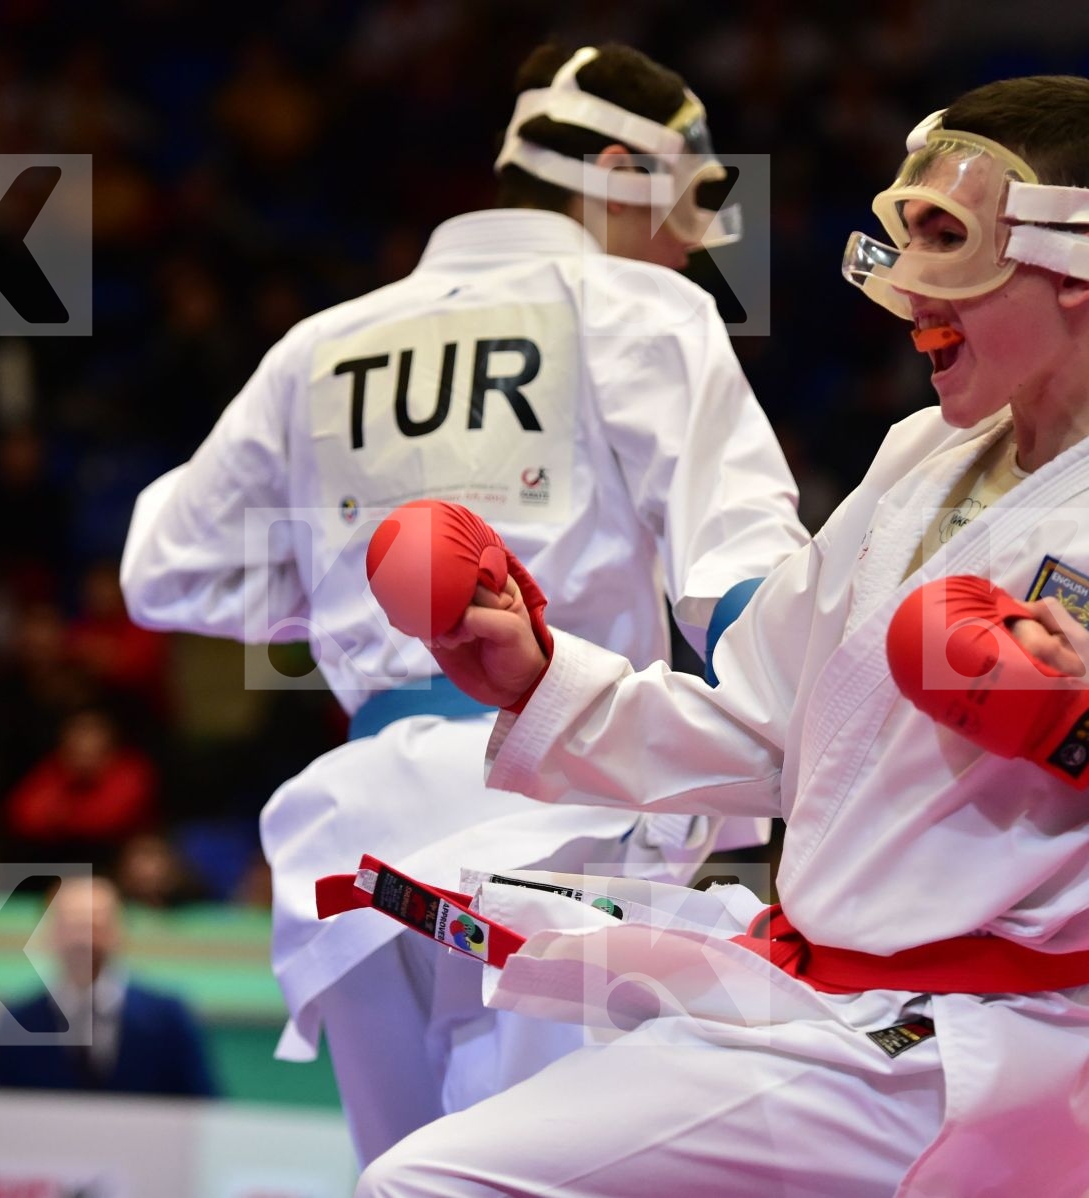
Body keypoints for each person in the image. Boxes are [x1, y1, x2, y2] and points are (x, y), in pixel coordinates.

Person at [354, 75, 1089, 1197]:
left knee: (428, 1185)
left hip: (957, 1048)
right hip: (834, 1016)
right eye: (904, 241)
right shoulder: (921, 454)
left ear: (1078, 267)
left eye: (946, 244)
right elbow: (771, 722)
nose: (911, 292)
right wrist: (539, 680)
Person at [119, 42, 806, 1165]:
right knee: (550, 1182)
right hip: (561, 817)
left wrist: (353, 590)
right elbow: (741, 571)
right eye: (689, 204)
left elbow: (163, 567)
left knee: (407, 1181)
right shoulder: (642, 306)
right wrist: (811, 739)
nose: (692, 241)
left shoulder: (321, 345)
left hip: (357, 839)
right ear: (619, 175)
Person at [0, 876, 217, 1097]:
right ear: (49, 934)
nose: (84, 939)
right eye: (72, 926)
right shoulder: (17, 1021)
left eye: (95, 925)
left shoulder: (167, 1019)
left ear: (119, 931)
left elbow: (203, 1103)